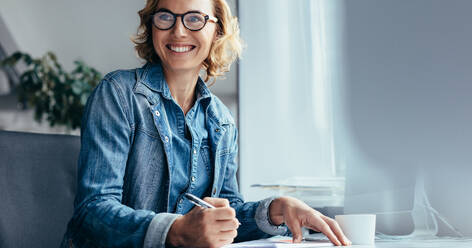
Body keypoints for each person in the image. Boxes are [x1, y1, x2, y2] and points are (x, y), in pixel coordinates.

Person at [61, 0, 351, 247]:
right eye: (165, 17)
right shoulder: (118, 93)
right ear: (152, 26)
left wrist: (276, 209)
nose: (178, 30)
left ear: (218, 31)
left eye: (194, 19)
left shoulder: (222, 121)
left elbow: (230, 217)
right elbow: (93, 211)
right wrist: (177, 230)